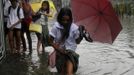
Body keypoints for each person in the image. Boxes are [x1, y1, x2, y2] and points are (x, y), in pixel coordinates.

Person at [49, 7, 83, 75]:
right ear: (59, 18)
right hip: (59, 53)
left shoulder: (74, 28)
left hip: (70, 54)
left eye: (67, 20)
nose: (65, 22)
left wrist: (81, 36)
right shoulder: (56, 27)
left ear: (70, 19)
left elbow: (77, 42)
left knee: (69, 73)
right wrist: (60, 50)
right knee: (62, 73)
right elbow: (50, 41)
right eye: (63, 20)